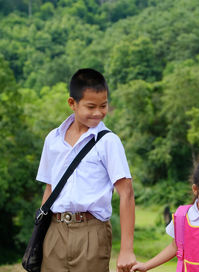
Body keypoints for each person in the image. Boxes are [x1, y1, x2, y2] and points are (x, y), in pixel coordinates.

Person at [37, 68, 136, 272]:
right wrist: (40, 233)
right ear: (72, 103)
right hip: (54, 230)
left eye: (103, 105)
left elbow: (126, 193)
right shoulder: (52, 139)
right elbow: (49, 187)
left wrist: (127, 249)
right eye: (91, 106)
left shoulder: (109, 141)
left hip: (92, 231)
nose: (98, 112)